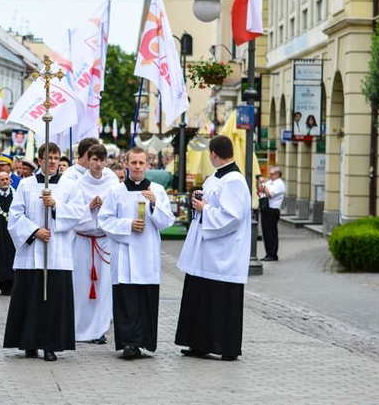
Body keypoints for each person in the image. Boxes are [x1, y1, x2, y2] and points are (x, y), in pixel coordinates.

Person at [3, 142, 84, 362]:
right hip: (32, 253)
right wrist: (35, 231)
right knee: (30, 299)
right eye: (48, 158)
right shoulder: (26, 185)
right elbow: (15, 215)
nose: (53, 163)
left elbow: (78, 213)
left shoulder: (69, 185)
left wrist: (56, 205)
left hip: (57, 253)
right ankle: (29, 342)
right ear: (40, 160)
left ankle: (51, 343)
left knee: (54, 300)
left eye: (57, 158)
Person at [175, 135, 251, 361]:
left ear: (213, 153)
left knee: (220, 301)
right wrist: (199, 201)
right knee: (201, 297)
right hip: (205, 253)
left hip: (223, 254)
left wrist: (205, 208)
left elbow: (233, 217)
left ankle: (226, 346)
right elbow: (212, 202)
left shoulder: (234, 180)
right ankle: (199, 343)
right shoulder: (217, 177)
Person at [98, 147, 174, 359]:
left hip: (147, 254)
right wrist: (127, 224)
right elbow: (104, 220)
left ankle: (144, 341)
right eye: (134, 163)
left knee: (145, 300)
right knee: (126, 299)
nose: (138, 167)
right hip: (125, 254)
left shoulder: (157, 190)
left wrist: (154, 205)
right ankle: (129, 344)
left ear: (147, 165)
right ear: (126, 164)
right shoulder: (116, 191)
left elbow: (167, 220)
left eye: (141, 163)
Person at [73, 144, 120, 344]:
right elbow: (72, 212)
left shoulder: (112, 183)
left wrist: (105, 208)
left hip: (103, 240)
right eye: (94, 160)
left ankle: (99, 329)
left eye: (102, 160)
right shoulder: (78, 183)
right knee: (82, 286)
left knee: (103, 287)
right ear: (88, 160)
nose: (98, 164)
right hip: (83, 240)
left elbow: (118, 209)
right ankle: (78, 328)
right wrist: (88, 207)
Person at [258, 166, 286, 262]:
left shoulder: (279, 184)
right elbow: (261, 190)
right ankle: (268, 253)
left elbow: (269, 193)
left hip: (272, 211)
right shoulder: (270, 182)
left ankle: (273, 254)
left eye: (272, 174)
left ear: (277, 175)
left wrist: (262, 184)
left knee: (271, 233)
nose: (269, 175)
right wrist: (261, 184)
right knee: (266, 233)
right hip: (266, 209)